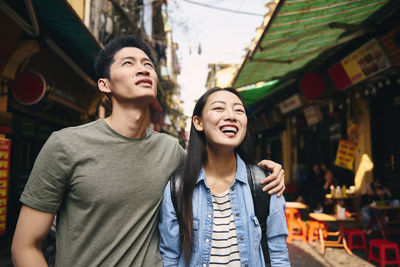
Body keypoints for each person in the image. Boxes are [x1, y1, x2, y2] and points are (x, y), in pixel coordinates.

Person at [11, 35, 286, 266]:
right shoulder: (65, 145)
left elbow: (218, 171)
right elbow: (25, 247)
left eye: (148, 65)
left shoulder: (170, 150)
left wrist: (268, 172)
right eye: (128, 63)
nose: (143, 69)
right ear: (105, 84)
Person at [158, 87, 290, 266]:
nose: (231, 116)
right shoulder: (178, 186)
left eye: (239, 110)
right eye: (219, 108)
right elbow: (170, 257)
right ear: (198, 123)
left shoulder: (265, 183)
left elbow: (278, 255)